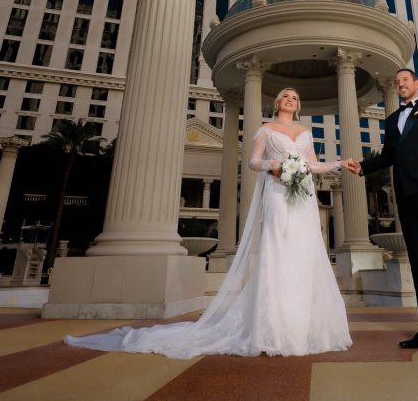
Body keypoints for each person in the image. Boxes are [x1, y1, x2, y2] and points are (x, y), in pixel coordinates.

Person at [66, 87, 352, 358]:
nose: (290, 99)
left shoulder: (305, 132)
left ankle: (305, 327)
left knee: (303, 253)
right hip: (277, 192)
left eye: (294, 97)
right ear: (277, 103)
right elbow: (253, 161)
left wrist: (340, 163)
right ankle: (273, 330)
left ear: (298, 105)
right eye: (285, 96)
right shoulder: (266, 128)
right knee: (279, 250)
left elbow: (312, 164)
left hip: (302, 197)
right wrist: (273, 166)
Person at [343, 68, 418, 360]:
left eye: (405, 81)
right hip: (406, 197)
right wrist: (362, 167)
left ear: (416, 84)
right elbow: (389, 156)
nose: (400, 85)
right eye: (397, 82)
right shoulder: (391, 121)